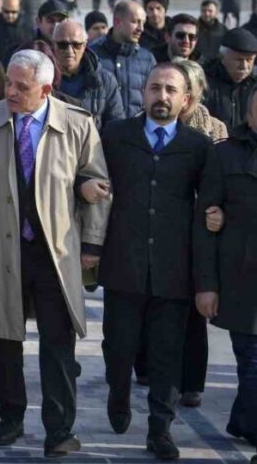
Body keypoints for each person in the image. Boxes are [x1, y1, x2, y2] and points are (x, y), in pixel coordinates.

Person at [0, 49, 111, 458]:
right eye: (8, 82)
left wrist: (92, 246)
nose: (9, 91)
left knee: (57, 345)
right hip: (1, 247)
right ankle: (10, 419)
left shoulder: (77, 125)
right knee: (4, 339)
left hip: (55, 252)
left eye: (21, 87)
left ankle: (59, 430)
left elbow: (97, 184)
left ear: (46, 89)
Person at [97, 63, 215, 461]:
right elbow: (89, 179)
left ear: (185, 100)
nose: (161, 97)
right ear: (143, 93)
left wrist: (218, 216)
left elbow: (210, 203)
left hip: (173, 269)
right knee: (119, 345)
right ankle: (118, 391)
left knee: (167, 353)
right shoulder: (115, 136)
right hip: (123, 264)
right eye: (154, 88)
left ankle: (160, 429)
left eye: (170, 90)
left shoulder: (198, 147)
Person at [195, 92, 257, 453]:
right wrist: (207, 285)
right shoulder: (225, 155)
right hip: (242, 282)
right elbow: (206, 225)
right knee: (251, 361)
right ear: (248, 117)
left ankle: (244, 421)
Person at [52, 20, 124, 128]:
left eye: (76, 45)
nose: (70, 50)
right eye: (63, 45)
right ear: (53, 45)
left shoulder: (105, 80)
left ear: (85, 45)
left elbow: (116, 125)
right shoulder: (42, 78)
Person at [91, 0, 155, 118]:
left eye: (143, 23)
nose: (141, 28)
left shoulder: (147, 59)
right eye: (135, 22)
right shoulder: (92, 54)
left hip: (135, 132)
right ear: (117, 21)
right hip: (100, 133)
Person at [203, 28, 257, 129]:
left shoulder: (254, 88)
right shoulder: (205, 82)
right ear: (222, 56)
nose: (244, 66)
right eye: (239, 60)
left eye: (249, 60)